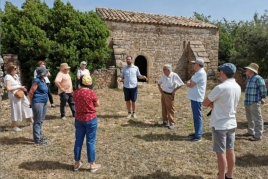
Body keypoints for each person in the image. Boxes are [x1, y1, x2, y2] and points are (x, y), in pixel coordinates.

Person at [203, 63, 241, 179]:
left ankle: (221, 177)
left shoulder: (220, 87)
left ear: (222, 73)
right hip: (231, 122)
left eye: (220, 71)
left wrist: (214, 105)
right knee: (230, 150)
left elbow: (205, 103)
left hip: (220, 124)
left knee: (220, 153)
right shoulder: (237, 86)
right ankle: (229, 174)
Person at [73, 74, 101, 172]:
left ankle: (77, 163)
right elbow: (97, 104)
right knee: (90, 142)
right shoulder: (92, 93)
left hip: (79, 119)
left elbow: (75, 102)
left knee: (78, 141)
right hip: (91, 118)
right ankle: (92, 165)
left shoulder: (75, 93)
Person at [4, 64, 33, 131]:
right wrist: (19, 87)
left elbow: (18, 84)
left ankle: (32, 121)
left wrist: (22, 88)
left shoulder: (16, 76)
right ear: (10, 69)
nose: (16, 69)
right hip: (14, 95)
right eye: (15, 68)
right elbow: (8, 88)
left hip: (20, 93)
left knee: (27, 106)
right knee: (16, 109)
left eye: (16, 68)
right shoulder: (8, 77)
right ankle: (14, 126)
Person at [244, 63, 267, 141]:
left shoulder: (258, 78)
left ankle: (258, 135)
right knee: (249, 117)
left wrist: (263, 97)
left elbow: (263, 88)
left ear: (251, 71)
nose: (246, 70)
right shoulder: (249, 78)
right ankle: (251, 131)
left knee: (257, 118)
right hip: (247, 101)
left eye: (247, 69)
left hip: (254, 101)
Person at [157, 64, 184, 129]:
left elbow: (181, 84)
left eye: (164, 69)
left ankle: (172, 123)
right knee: (164, 108)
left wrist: (175, 90)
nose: (163, 71)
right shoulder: (163, 76)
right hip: (163, 94)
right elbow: (158, 83)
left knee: (170, 109)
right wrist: (160, 90)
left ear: (168, 70)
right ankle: (165, 122)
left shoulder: (174, 75)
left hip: (170, 95)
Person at [186, 58, 207, 142]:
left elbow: (190, 84)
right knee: (196, 116)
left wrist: (188, 83)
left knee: (197, 116)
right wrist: (189, 82)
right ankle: (197, 132)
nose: (193, 65)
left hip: (197, 98)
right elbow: (190, 82)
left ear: (198, 65)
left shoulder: (200, 73)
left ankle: (198, 135)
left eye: (194, 64)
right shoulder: (198, 73)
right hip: (195, 97)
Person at [29, 66, 49, 145]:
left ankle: (40, 136)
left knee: (41, 120)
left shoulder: (43, 80)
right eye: (45, 71)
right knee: (37, 121)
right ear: (42, 73)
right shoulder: (36, 81)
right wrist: (31, 102)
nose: (47, 72)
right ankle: (37, 139)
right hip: (38, 102)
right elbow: (31, 92)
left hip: (44, 102)